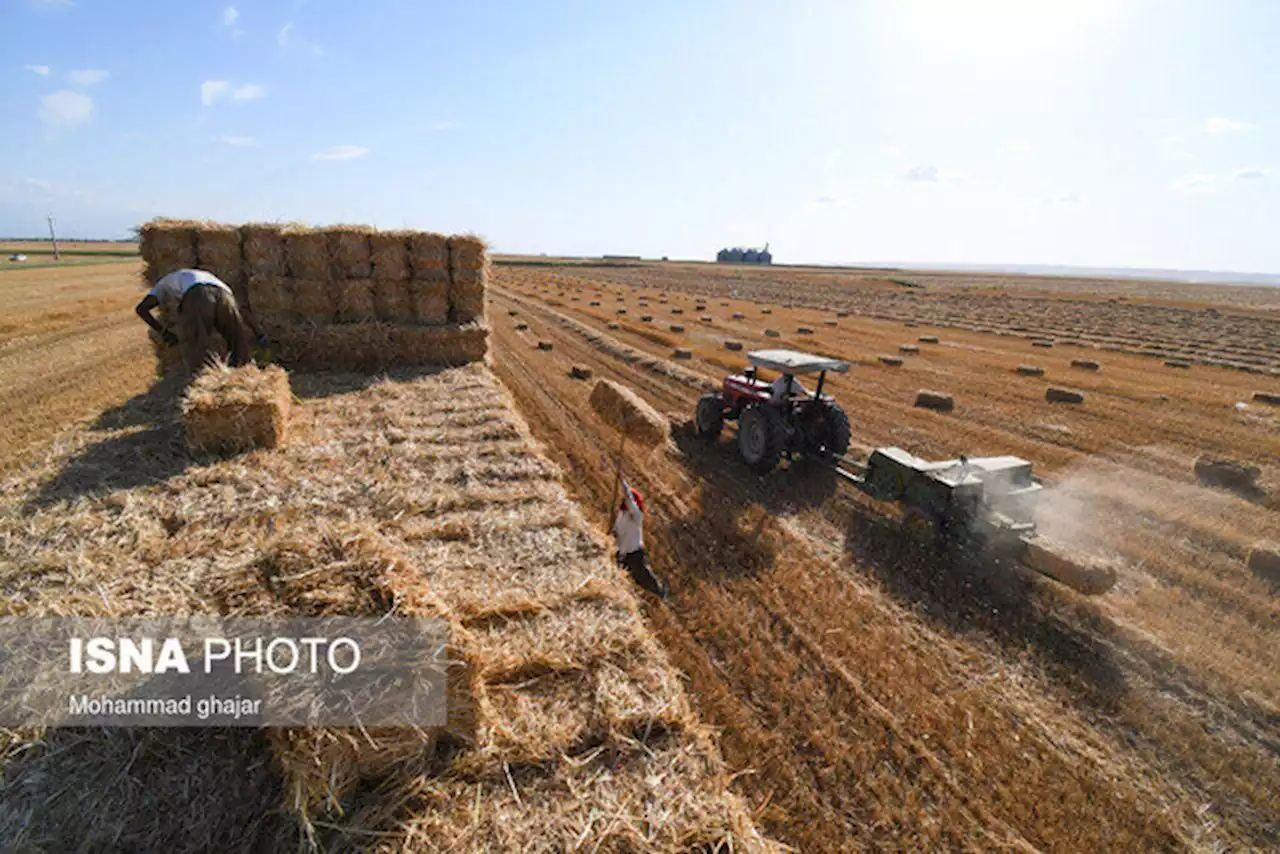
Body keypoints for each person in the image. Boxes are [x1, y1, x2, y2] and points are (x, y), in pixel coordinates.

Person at [135, 269, 260, 373]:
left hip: (198, 293)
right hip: (226, 294)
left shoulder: (161, 285)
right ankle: (243, 376)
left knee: (195, 343)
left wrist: (164, 332)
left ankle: (202, 384)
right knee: (236, 341)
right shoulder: (193, 275)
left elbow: (141, 309)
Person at [613, 477, 668, 599]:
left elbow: (629, 500)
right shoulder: (621, 515)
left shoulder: (637, 516)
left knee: (644, 579)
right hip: (622, 554)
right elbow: (616, 532)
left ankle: (660, 592)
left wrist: (624, 485)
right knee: (626, 581)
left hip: (635, 554)